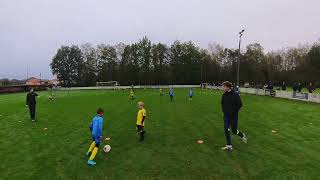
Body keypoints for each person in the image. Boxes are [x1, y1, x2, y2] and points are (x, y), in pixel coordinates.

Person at [221, 81, 247, 151]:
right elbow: (222, 103)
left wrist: (234, 111)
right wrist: (224, 111)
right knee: (226, 128)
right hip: (226, 116)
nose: (222, 88)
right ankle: (229, 145)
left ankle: (242, 135)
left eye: (223, 86)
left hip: (234, 116)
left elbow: (240, 104)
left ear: (228, 87)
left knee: (234, 131)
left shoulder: (235, 95)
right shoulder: (224, 95)